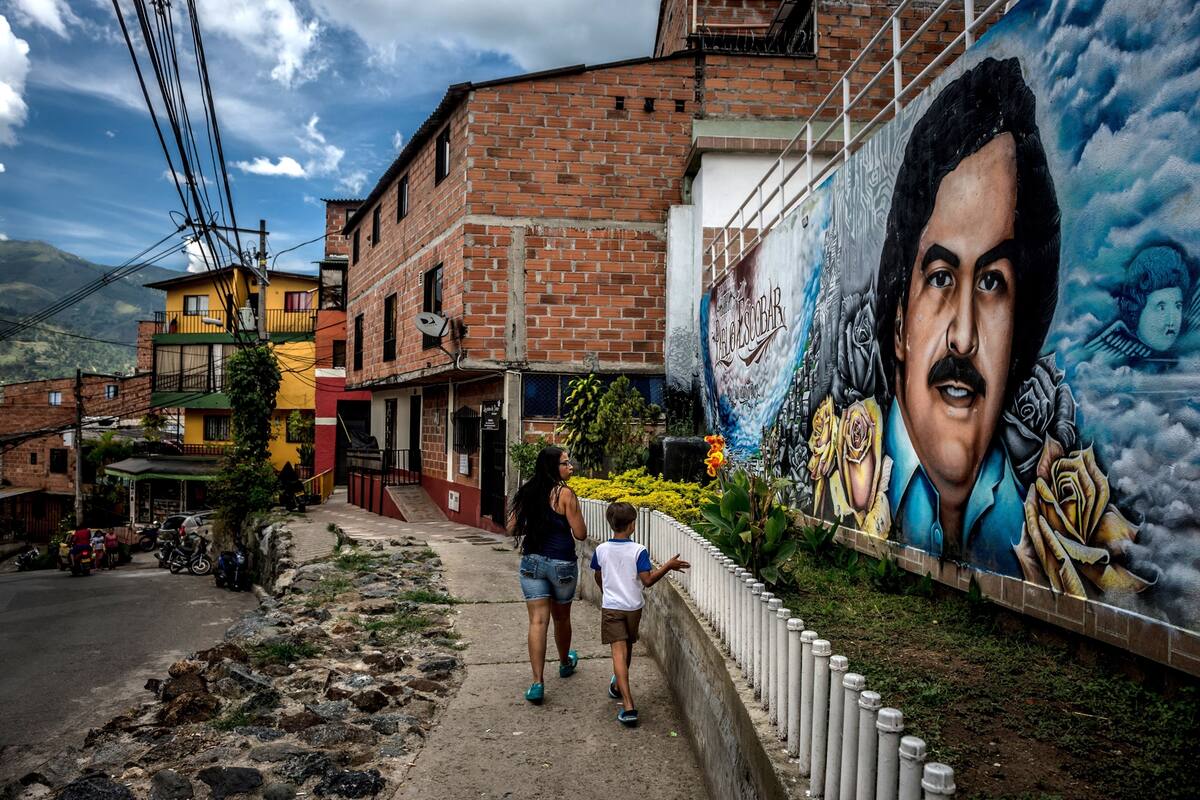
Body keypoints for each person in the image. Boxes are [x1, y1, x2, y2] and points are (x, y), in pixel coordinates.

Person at [874, 56, 1061, 576]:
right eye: (939, 278)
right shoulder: (857, 489)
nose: (963, 336)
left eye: (991, 283)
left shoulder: (1036, 523)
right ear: (898, 324)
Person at [590, 502, 689, 727]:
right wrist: (668, 566)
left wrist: (606, 591)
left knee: (619, 654)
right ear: (632, 525)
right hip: (633, 608)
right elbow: (648, 580)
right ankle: (626, 700)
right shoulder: (638, 551)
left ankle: (627, 705)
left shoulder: (601, 550)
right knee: (626, 650)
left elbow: (598, 574)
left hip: (612, 607)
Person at [507, 445, 588, 705]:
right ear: (554, 467)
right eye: (565, 463)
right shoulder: (565, 495)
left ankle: (537, 683)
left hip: (532, 563)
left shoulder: (528, 492)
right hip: (562, 564)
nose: (570, 467)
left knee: (537, 622)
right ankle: (564, 663)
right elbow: (581, 534)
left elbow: (511, 528)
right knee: (561, 618)